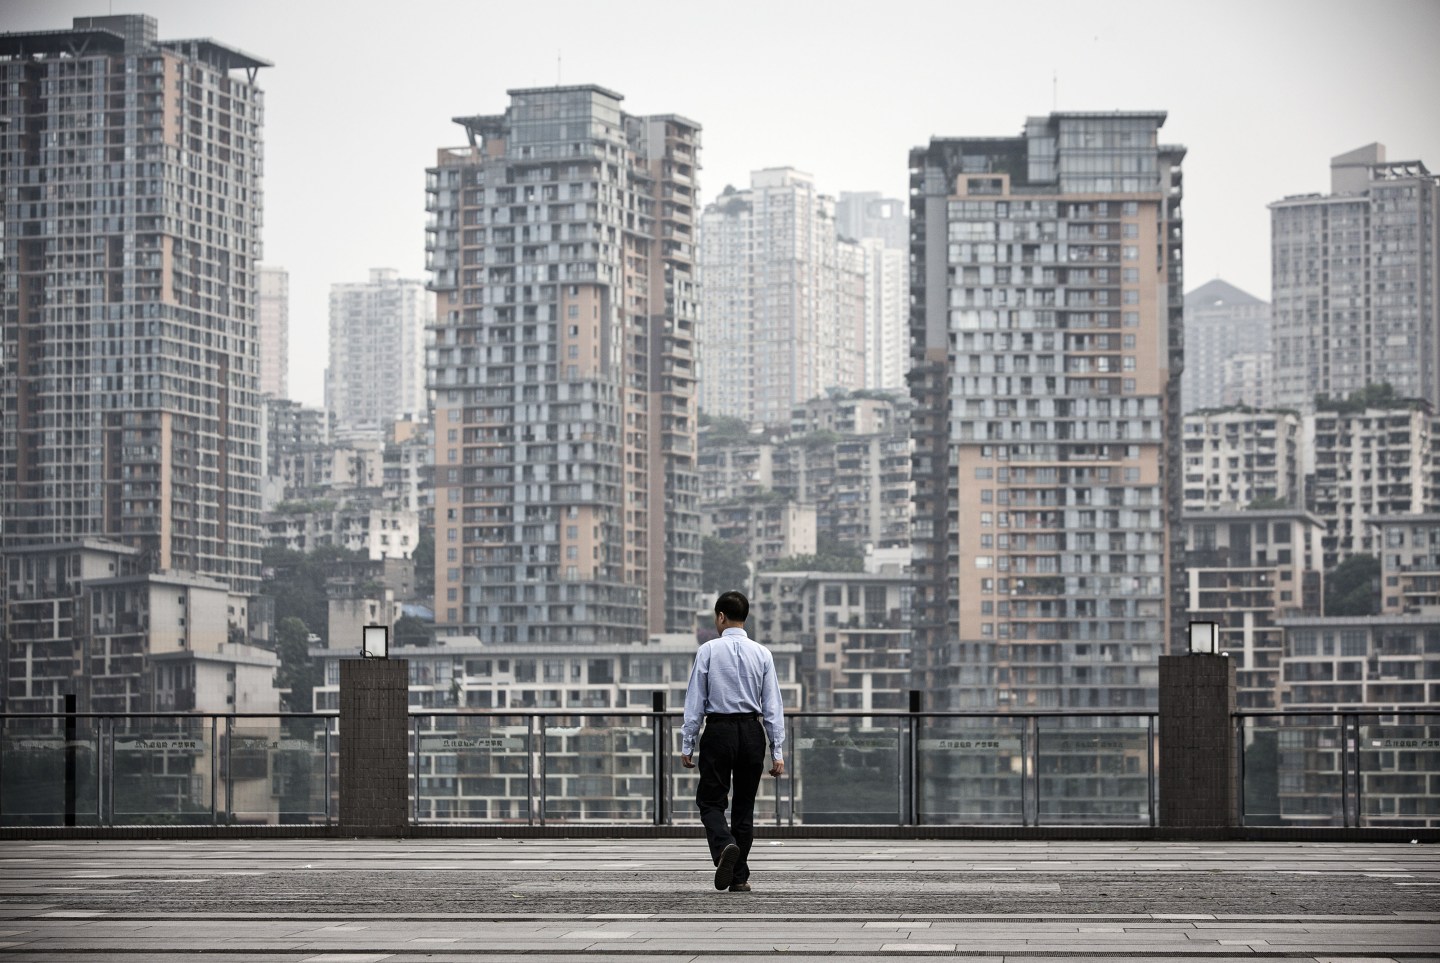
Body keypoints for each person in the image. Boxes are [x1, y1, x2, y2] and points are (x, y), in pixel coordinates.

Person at [681, 590, 786, 893]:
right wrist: (777, 751)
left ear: (721, 616)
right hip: (752, 733)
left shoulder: (708, 650)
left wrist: (688, 743)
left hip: (719, 731)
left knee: (710, 801)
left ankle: (724, 845)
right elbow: (772, 706)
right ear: (745, 617)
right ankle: (739, 877)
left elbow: (695, 701)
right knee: (744, 805)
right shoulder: (763, 653)